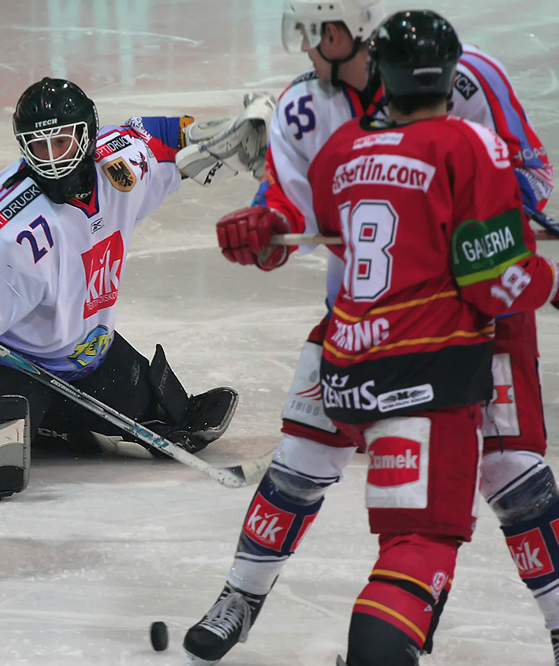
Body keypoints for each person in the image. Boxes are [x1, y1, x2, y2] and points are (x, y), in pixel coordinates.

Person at [184, 1, 558, 664]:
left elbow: (530, 178)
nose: (301, 46)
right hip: (377, 309)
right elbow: (294, 215)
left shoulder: (473, 84)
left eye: (308, 31)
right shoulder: (305, 110)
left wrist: (458, 210)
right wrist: (265, 228)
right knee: (302, 456)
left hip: (471, 322)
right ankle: (244, 596)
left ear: (346, 35)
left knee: (509, 471)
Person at [308, 12, 559, 663]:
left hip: (354, 372)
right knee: (432, 537)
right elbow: (491, 280)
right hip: (440, 369)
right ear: (452, 72)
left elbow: (341, 229)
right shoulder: (470, 144)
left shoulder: (339, 150)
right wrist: (543, 280)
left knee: (418, 534)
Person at [0, 77, 272, 458]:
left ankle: (55, 419)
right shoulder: (10, 235)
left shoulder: (116, 165)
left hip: (82, 352)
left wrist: (215, 133)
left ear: (87, 136)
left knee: (161, 409)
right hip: (12, 363)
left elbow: (160, 137)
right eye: (38, 145)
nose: (51, 158)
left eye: (61, 141)